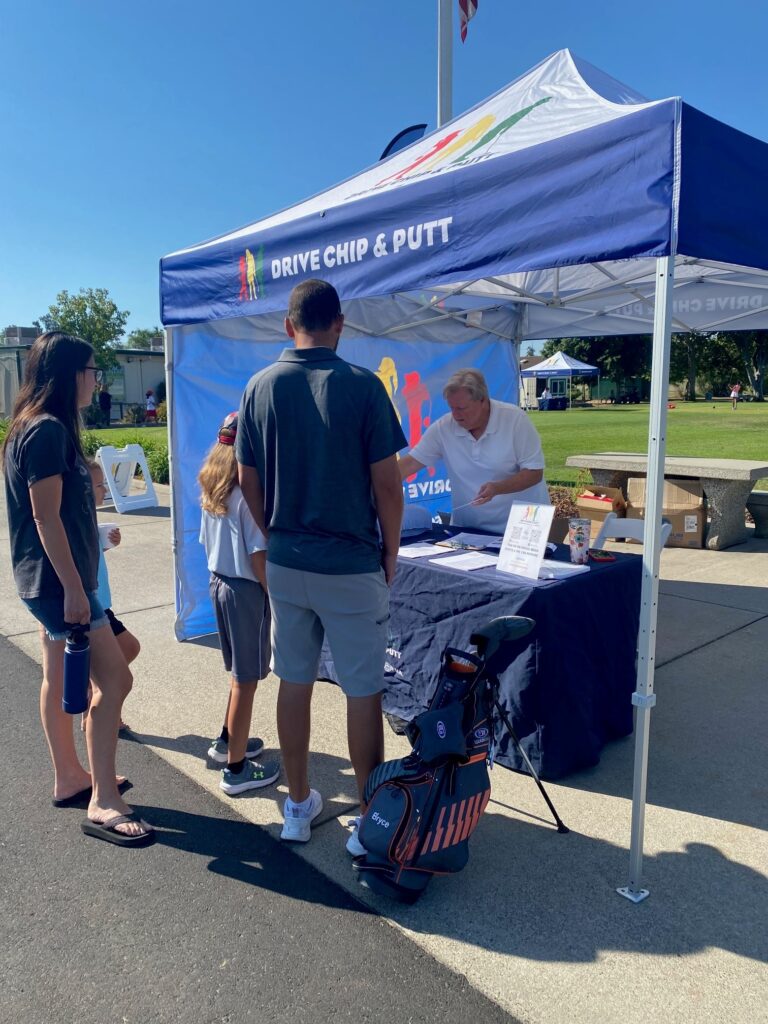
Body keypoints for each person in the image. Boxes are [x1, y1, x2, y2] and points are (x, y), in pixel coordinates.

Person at [236, 279, 405, 851]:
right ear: (341, 324)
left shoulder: (258, 387)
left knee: (294, 680)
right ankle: (369, 816)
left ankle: (298, 804)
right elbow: (388, 485)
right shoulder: (362, 387)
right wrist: (390, 549)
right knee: (363, 691)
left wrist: (273, 531)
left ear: (289, 326)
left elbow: (247, 481)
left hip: (288, 560)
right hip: (351, 562)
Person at [2, 332, 153, 846]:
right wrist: (73, 589)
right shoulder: (45, 431)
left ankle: (72, 777)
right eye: (93, 370)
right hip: (58, 584)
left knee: (60, 678)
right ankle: (104, 799)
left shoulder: (34, 426)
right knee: (114, 683)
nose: (98, 380)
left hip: (47, 581)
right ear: (70, 374)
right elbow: (45, 518)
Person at [198, 411, 280, 796]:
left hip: (219, 583)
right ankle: (235, 769)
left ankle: (227, 740)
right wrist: (277, 598)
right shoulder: (248, 494)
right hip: (246, 591)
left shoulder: (212, 487)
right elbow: (258, 553)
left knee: (238, 674)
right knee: (247, 679)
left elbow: (204, 543)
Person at [398, 368, 550, 535]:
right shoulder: (444, 428)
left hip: (521, 529)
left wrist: (498, 488)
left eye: (462, 408)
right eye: (452, 408)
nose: (456, 415)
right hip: (469, 529)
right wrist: (377, 482)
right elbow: (411, 463)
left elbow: (534, 472)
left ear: (483, 401)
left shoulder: (515, 420)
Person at [82, 459, 140, 735]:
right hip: (93, 606)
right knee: (126, 652)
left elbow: (90, 558)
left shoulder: (88, 518)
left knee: (127, 649)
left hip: (101, 603)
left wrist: (106, 544)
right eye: (99, 485)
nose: (104, 489)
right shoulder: (77, 521)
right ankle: (100, 708)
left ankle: (96, 696)